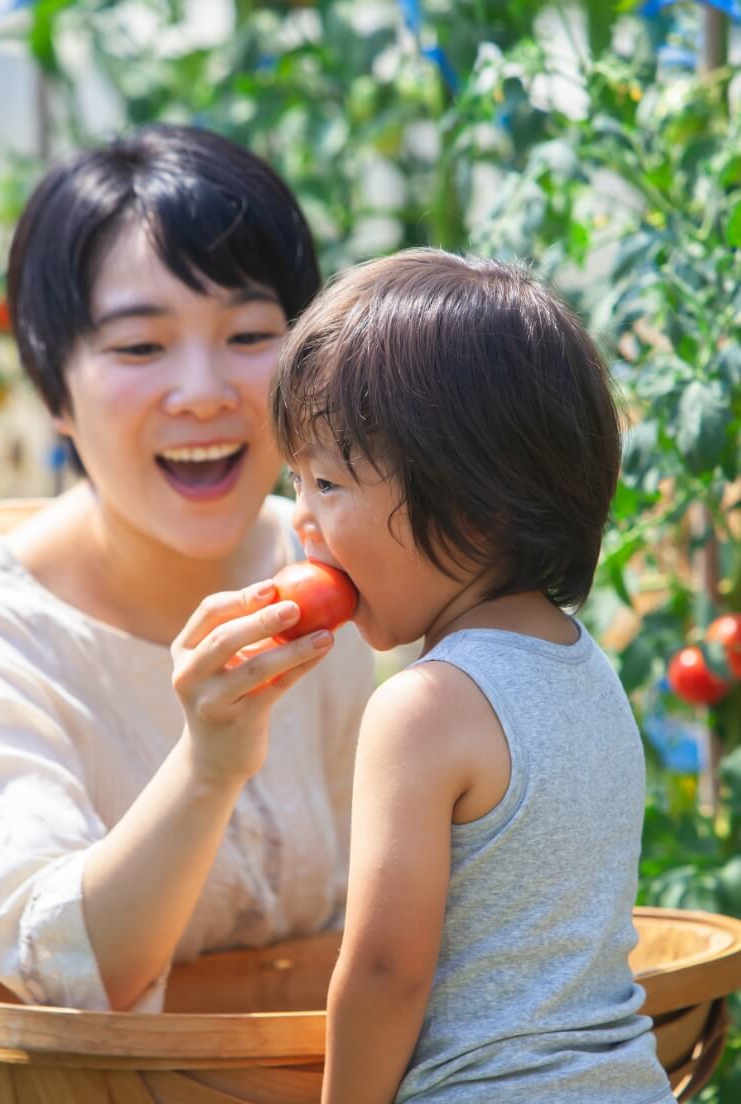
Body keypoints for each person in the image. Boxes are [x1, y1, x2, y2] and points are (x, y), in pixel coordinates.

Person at [0, 124, 373, 1014]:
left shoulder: (329, 564)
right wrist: (208, 766)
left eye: (251, 333)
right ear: (52, 392)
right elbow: (62, 967)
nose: (203, 391)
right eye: (141, 347)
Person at [271, 249, 676, 1104]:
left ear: (476, 504)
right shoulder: (585, 669)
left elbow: (385, 970)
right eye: (295, 480)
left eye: (329, 481)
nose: (300, 517)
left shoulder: (422, 707)